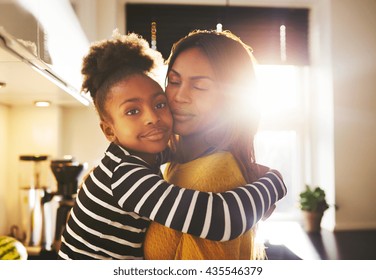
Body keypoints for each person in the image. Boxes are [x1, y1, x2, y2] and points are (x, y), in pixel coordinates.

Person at [58, 31, 287, 260]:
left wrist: (257, 174)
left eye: (158, 104)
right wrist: (274, 183)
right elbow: (220, 221)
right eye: (174, 81)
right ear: (109, 130)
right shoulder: (129, 176)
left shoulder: (138, 160)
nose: (152, 117)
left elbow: (217, 215)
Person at [144, 30, 277, 260]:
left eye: (200, 86)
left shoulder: (213, 175)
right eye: (174, 81)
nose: (179, 96)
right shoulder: (178, 160)